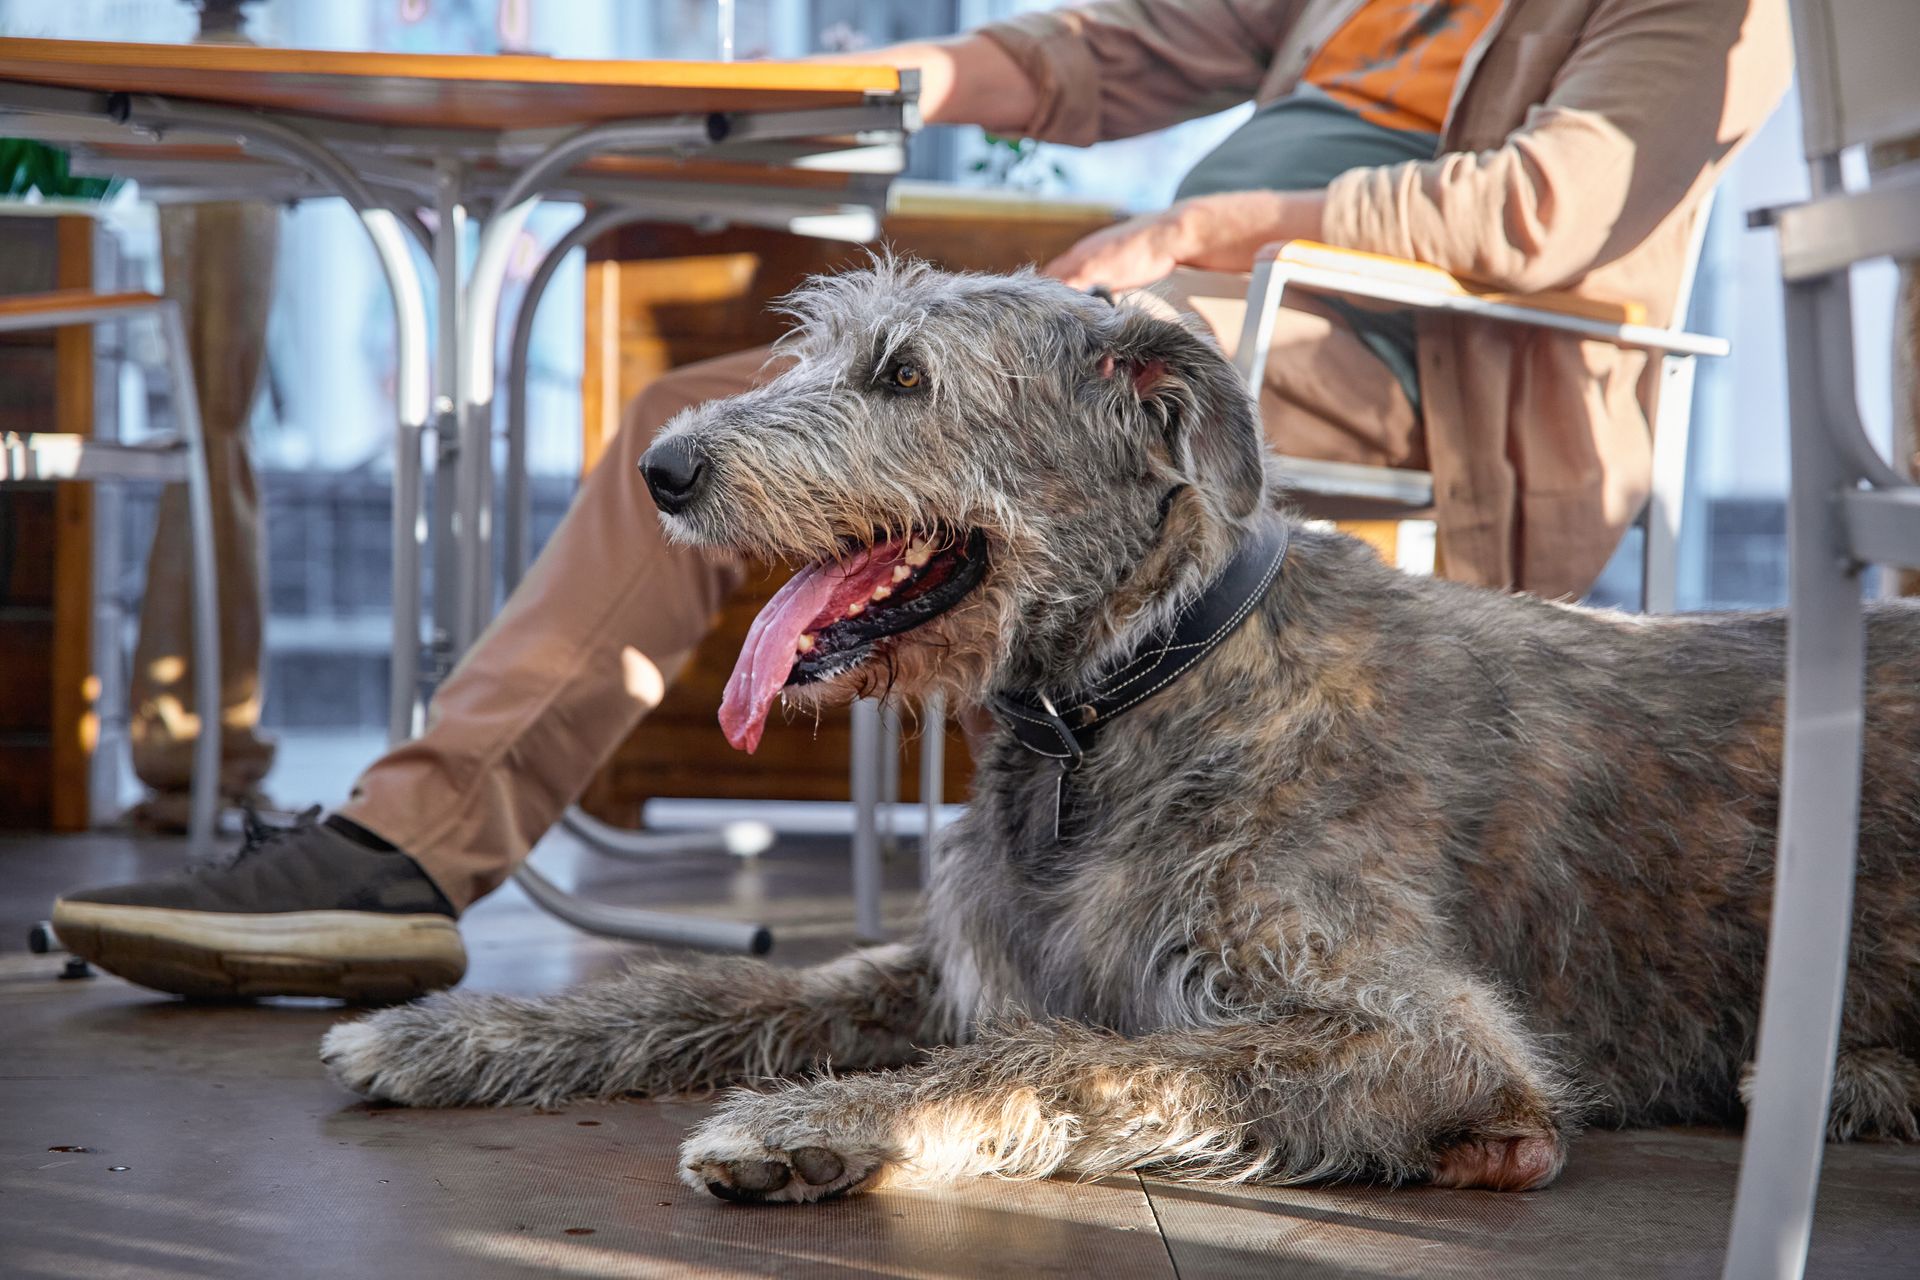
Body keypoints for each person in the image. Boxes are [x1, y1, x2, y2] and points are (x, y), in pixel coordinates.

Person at [53, 0, 1791, 1000]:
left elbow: (1555, 207)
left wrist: (1204, 240)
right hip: (1148, 338)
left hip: (1402, 371)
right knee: (698, 405)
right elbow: (1116, 55)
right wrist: (909, 78)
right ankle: (405, 851)